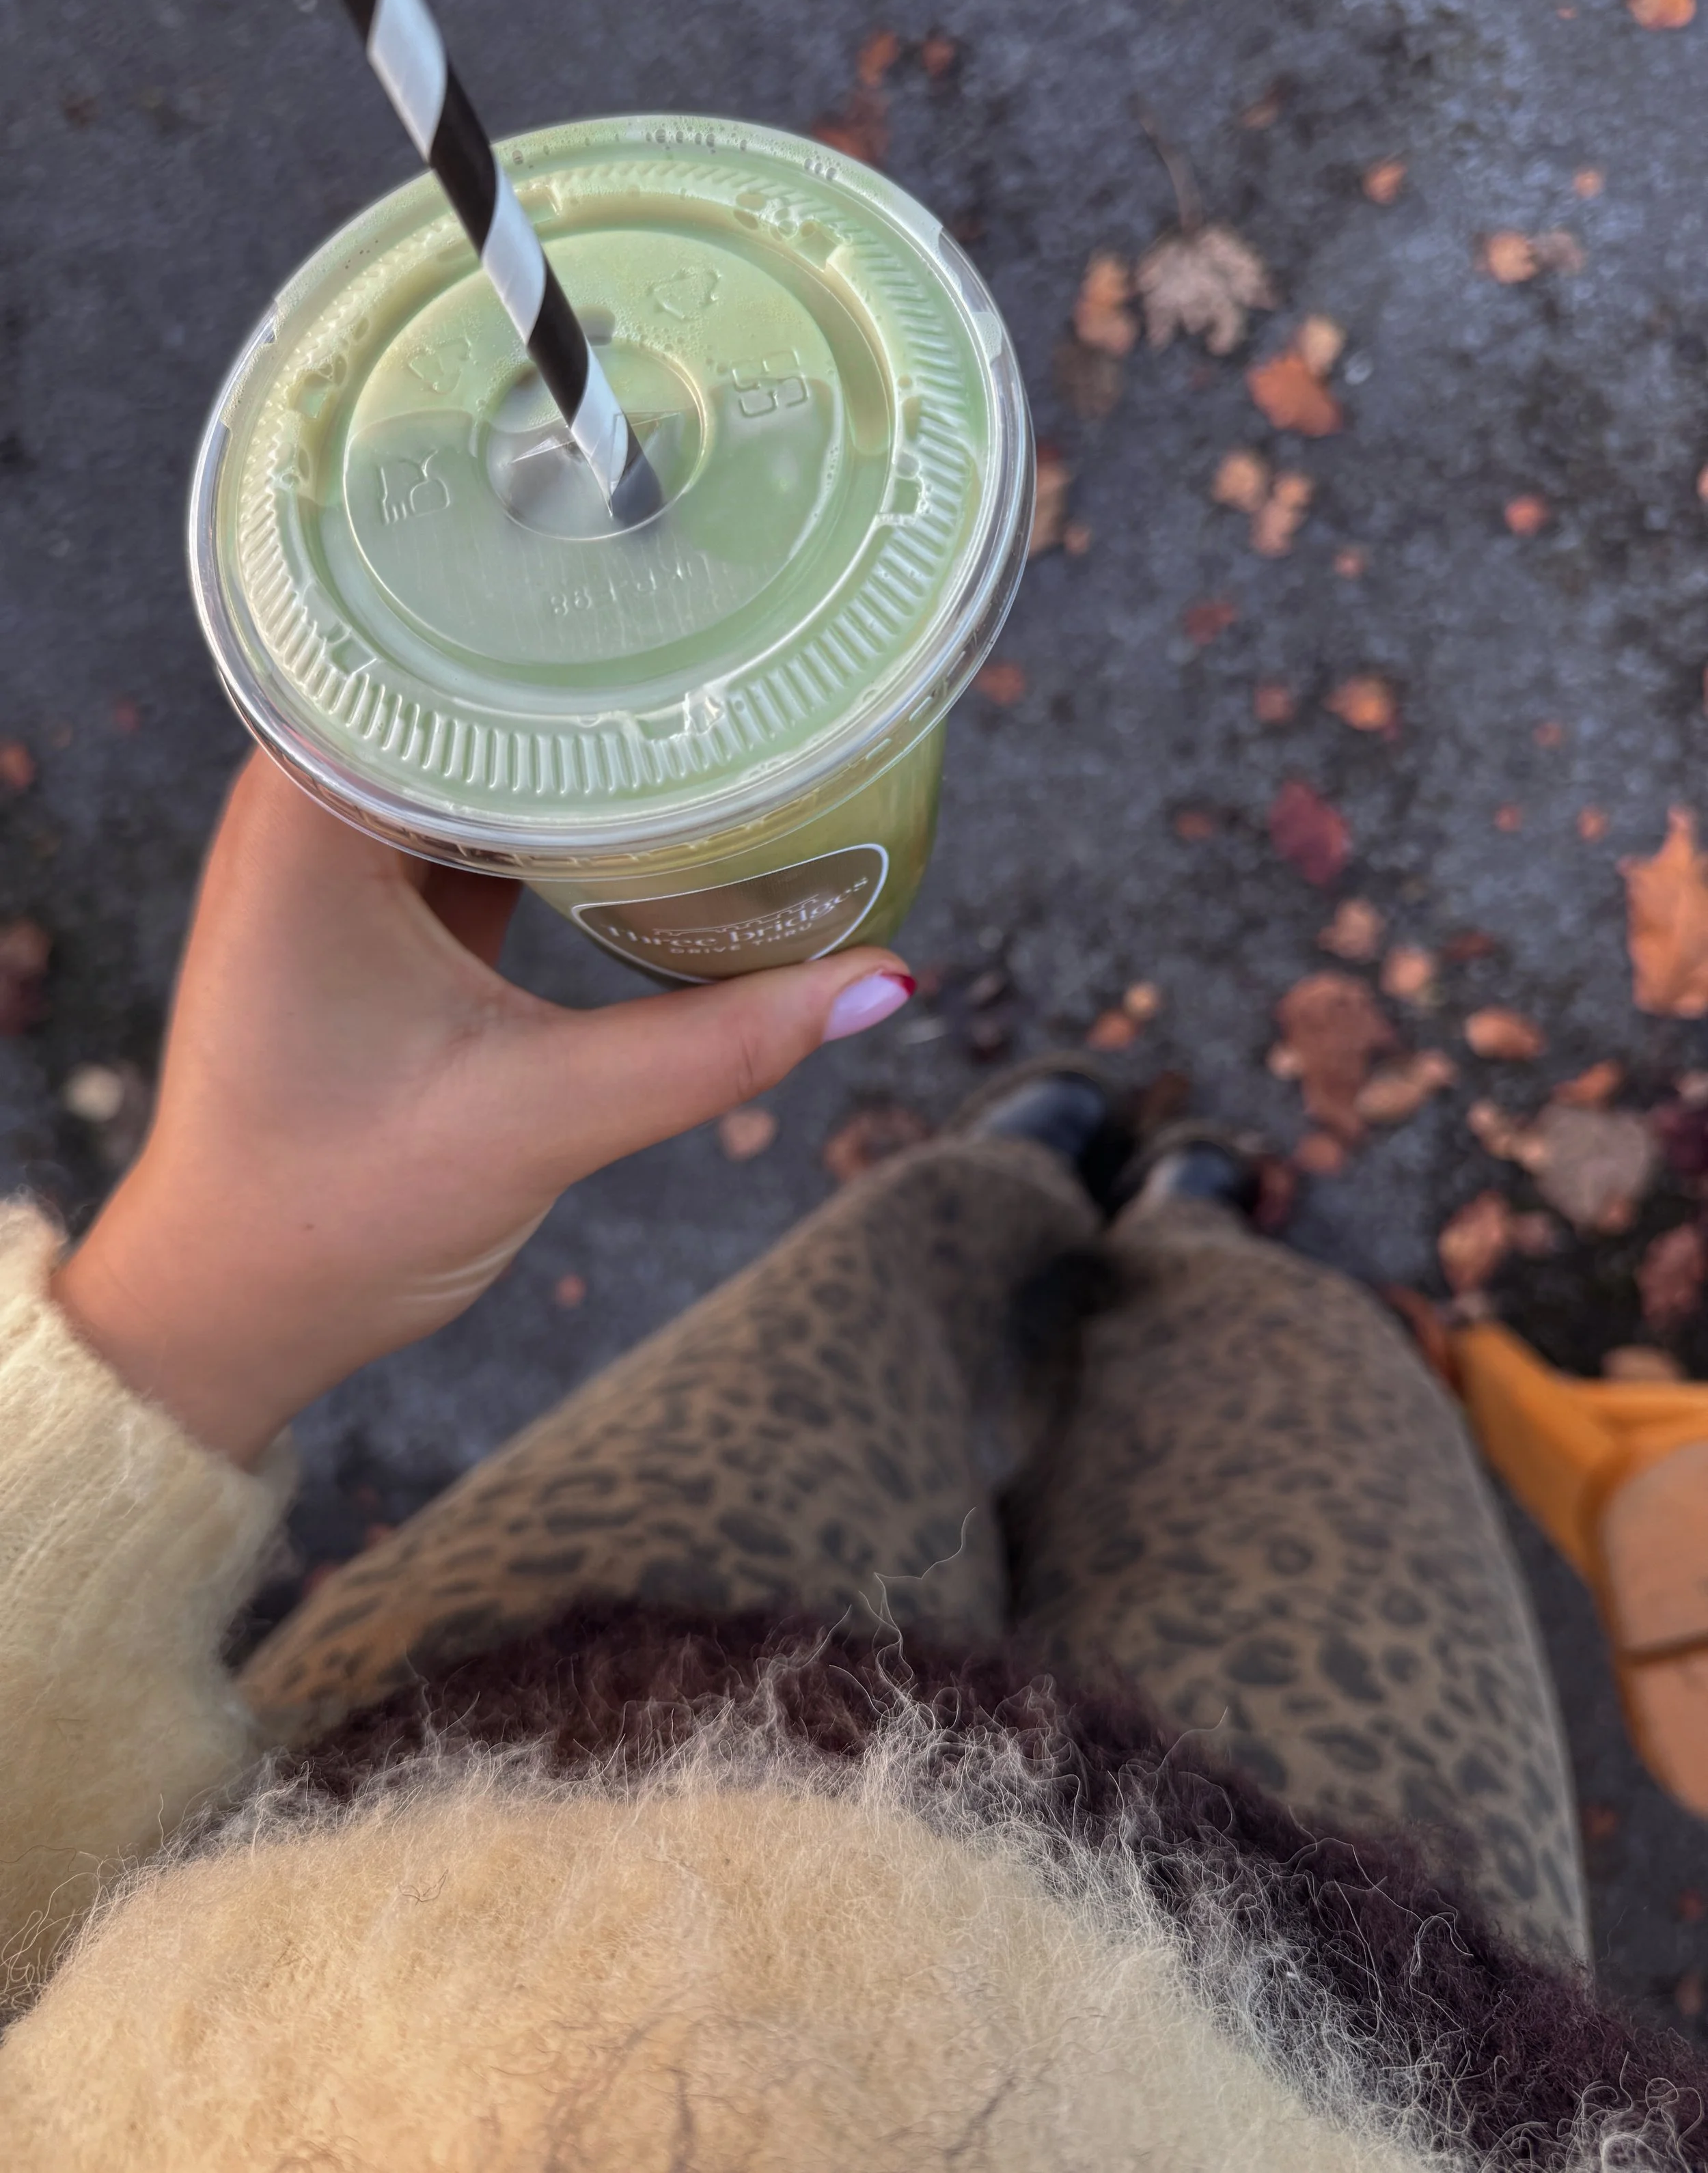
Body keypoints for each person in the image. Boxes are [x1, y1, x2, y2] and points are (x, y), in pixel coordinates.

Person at [1, 752, 1703, 2170]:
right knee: (1293, 1384)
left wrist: (198, 1297)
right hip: (1363, 2016)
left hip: (469, 1757)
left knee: (855, 1302)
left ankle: (1010, 1187)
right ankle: (1195, 1238)